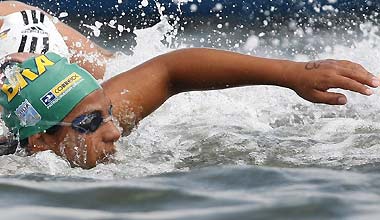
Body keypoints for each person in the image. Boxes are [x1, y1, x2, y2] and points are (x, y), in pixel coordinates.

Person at [0, 1, 378, 168]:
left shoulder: (89, 108)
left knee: (107, 69)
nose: (114, 130)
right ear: (40, 141)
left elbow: (169, 70)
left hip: (26, 39)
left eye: (109, 114)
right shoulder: (54, 124)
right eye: (91, 123)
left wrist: (294, 73)